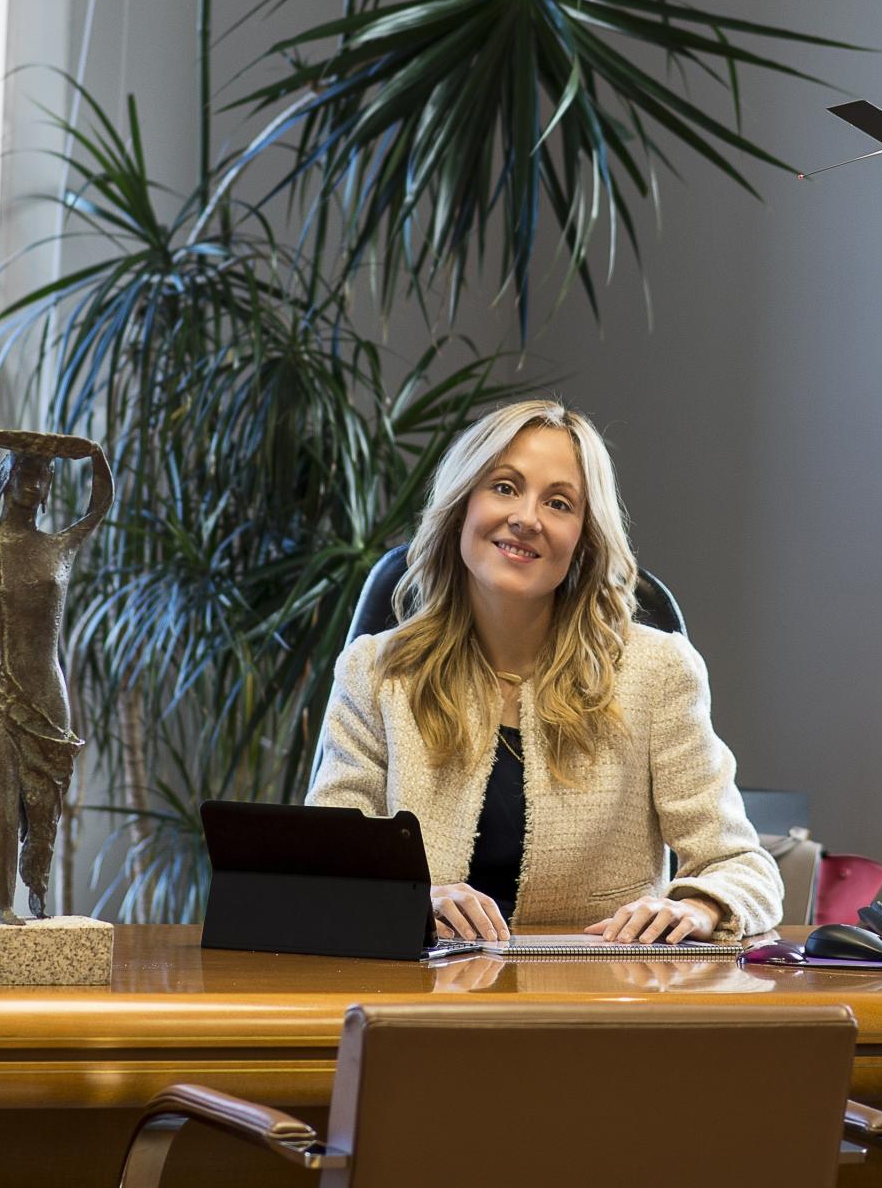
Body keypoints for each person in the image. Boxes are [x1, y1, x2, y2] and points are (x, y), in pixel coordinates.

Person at [308, 400, 781, 944]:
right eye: (505, 487)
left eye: (558, 503)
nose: (527, 518)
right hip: (422, 1002)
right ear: (462, 505)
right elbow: (327, 873)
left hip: (597, 1000)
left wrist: (699, 907)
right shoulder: (375, 672)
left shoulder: (658, 671)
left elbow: (744, 867)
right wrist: (410, 900)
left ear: (583, 536)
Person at [0, 429, 113, 925]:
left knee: (44, 810)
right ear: (7, 481)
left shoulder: (60, 547)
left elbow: (99, 506)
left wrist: (93, 455)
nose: (35, 485)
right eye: (26, 474)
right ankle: (3, 907)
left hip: (48, 690)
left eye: (43, 477)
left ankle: (35, 896)